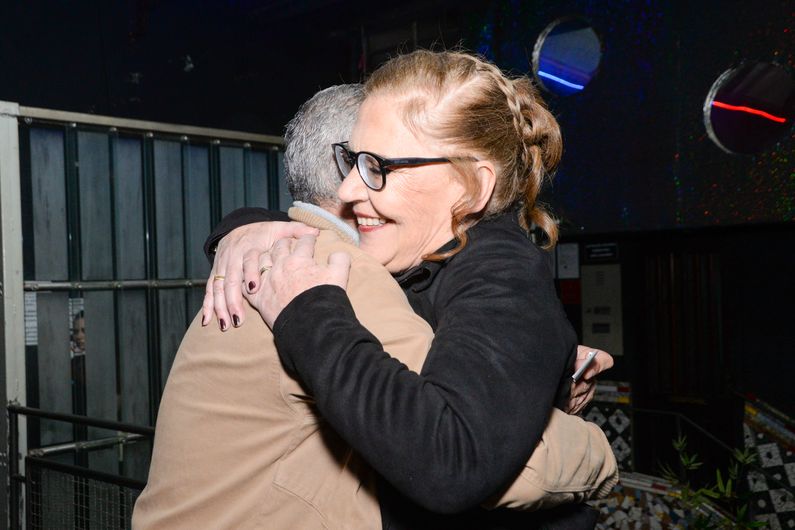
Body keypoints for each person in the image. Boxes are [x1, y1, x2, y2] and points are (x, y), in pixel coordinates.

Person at [133, 84, 616, 529]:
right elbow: (470, 450)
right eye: (363, 162)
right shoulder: (337, 276)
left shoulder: (271, 252)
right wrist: (597, 450)